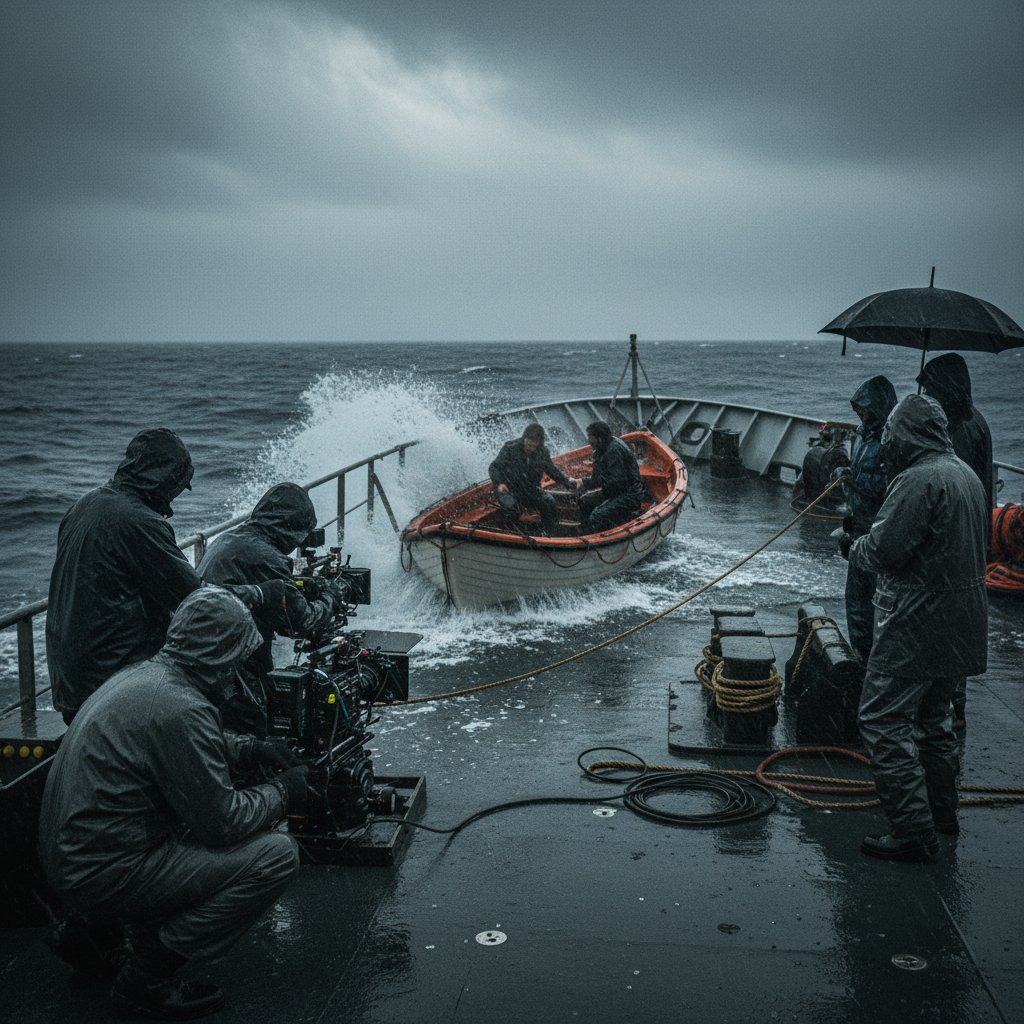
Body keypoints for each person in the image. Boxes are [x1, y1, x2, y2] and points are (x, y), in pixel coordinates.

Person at [38, 587, 308, 1020]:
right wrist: (283, 792)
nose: (239, 670)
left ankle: (91, 932)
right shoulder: (183, 707)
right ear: (220, 653)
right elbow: (223, 824)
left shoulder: (143, 677)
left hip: (67, 862)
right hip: (100, 873)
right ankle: (148, 975)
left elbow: (172, 744)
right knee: (275, 855)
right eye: (237, 657)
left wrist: (248, 748)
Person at [849, 394, 988, 862]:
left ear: (902, 434)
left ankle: (912, 831)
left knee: (883, 721)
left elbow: (886, 552)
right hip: (963, 620)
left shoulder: (917, 480)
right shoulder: (965, 474)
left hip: (917, 622)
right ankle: (942, 814)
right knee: (934, 721)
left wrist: (854, 545)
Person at [45, 428, 203, 724]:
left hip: (71, 684)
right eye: (176, 488)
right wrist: (256, 594)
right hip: (112, 685)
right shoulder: (138, 521)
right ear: (163, 479)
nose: (174, 498)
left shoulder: (86, 503)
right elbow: (197, 599)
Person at [198, 482, 346, 736]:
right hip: (233, 664)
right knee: (257, 726)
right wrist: (331, 596)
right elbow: (303, 622)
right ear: (292, 529)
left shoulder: (231, 537)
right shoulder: (267, 557)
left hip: (205, 653)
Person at [917, 352, 994, 729]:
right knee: (958, 622)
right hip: (973, 535)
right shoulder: (978, 421)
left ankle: (943, 708)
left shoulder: (954, 428)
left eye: (930, 386)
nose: (926, 392)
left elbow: (944, 486)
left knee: (941, 622)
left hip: (950, 540)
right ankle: (953, 704)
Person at [837, 375, 897, 661]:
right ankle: (860, 649)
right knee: (856, 595)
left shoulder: (894, 440)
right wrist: (846, 479)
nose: (861, 414)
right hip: (859, 525)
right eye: (858, 408)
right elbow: (858, 470)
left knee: (879, 596)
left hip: (881, 531)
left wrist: (856, 485)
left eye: (866, 408)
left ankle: (881, 655)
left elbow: (894, 490)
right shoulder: (861, 435)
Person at [488, 423, 577, 531]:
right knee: (511, 509)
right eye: (528, 445)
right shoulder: (509, 448)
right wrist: (499, 483)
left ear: (539, 443)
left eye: (534, 446)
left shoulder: (543, 452)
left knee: (549, 501)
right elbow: (494, 467)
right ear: (524, 438)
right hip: (508, 488)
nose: (530, 448)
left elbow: (552, 470)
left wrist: (567, 481)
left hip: (529, 489)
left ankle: (549, 531)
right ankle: (516, 532)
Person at [578, 421, 650, 533]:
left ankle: (600, 539)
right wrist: (582, 482)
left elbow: (617, 483)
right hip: (614, 490)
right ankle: (584, 533)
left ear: (600, 438)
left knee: (598, 515)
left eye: (591, 438)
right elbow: (596, 479)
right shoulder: (599, 450)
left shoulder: (614, 451)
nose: (589, 441)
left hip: (630, 494)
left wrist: (602, 499)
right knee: (584, 501)